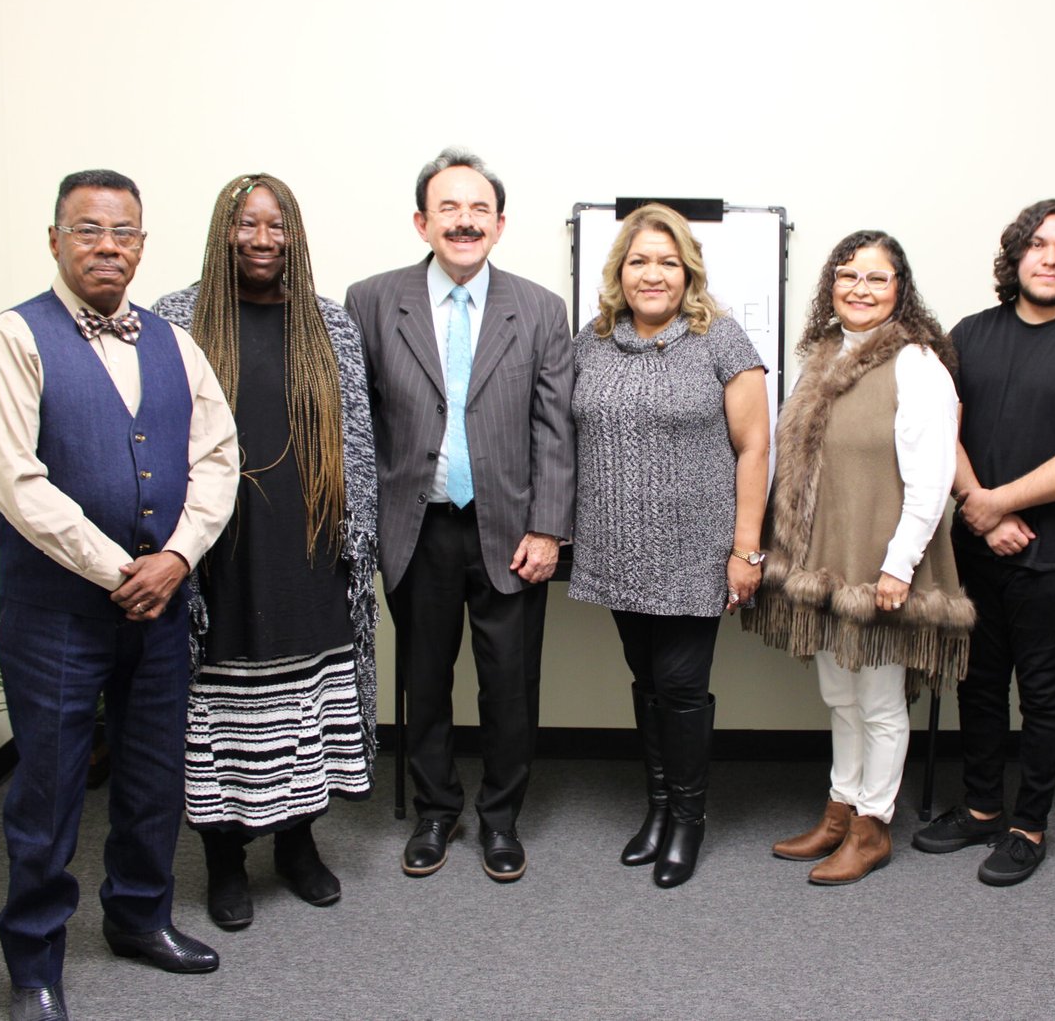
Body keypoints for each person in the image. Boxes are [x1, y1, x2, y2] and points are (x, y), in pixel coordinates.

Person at [0, 170, 239, 1021]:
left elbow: (219, 457)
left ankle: (139, 918)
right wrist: (121, 568)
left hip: (159, 604)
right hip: (58, 613)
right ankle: (35, 964)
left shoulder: (173, 342)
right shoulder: (14, 338)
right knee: (47, 789)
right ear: (54, 239)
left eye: (123, 232)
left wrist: (179, 557)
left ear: (143, 246)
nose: (107, 245)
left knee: (155, 774)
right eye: (88, 230)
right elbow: (15, 480)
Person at [152, 174, 380, 929]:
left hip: (310, 542)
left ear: (295, 235)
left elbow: (358, 436)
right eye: (246, 224)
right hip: (216, 545)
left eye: (276, 225)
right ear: (223, 230)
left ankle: (297, 844)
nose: (261, 238)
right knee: (219, 704)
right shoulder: (176, 318)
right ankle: (223, 857)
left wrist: (359, 542)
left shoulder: (330, 322)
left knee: (304, 697)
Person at [347, 148, 574, 883]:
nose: (464, 220)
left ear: (500, 224)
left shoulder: (539, 308)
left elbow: (555, 429)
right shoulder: (373, 300)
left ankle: (501, 818)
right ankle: (435, 811)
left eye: (479, 209)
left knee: (511, 683)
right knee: (425, 679)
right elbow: (361, 422)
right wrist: (367, 524)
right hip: (417, 527)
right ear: (422, 220)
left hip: (511, 531)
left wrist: (548, 526)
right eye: (449, 208)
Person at [911, 198, 1055, 887]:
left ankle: (1027, 826)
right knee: (978, 684)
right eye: (1038, 244)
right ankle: (982, 808)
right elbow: (937, 429)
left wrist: (998, 503)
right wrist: (976, 507)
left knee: (1042, 693)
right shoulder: (969, 334)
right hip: (973, 546)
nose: (1050, 257)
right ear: (1015, 256)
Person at [746, 230, 973, 885]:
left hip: (881, 561)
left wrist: (899, 565)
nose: (860, 288)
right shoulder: (821, 355)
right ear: (831, 284)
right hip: (824, 558)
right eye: (848, 275)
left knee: (877, 698)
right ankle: (840, 810)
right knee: (838, 693)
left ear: (900, 289)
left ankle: (873, 826)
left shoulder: (917, 364)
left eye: (876, 278)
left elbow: (932, 480)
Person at [569, 202, 769, 888]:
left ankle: (688, 820)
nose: (652, 274)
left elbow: (754, 448)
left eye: (667, 261)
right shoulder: (590, 340)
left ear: (689, 271)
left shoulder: (722, 340)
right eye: (638, 260)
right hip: (615, 549)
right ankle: (656, 810)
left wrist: (746, 550)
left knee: (681, 688)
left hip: (694, 550)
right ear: (619, 271)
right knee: (648, 683)